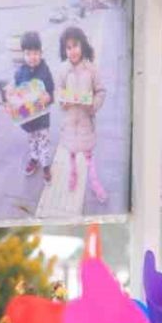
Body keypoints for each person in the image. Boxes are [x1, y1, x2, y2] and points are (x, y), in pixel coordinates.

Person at [57, 26, 108, 203]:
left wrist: (92, 105)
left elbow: (101, 91)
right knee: (71, 153)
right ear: (64, 50)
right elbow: (59, 92)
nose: (72, 51)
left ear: (83, 45)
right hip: (70, 124)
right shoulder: (63, 70)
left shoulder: (91, 69)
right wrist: (63, 102)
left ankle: (94, 182)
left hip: (86, 123)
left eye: (75, 46)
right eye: (68, 47)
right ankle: (73, 173)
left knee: (89, 157)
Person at [11, 31, 55, 182]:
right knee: (32, 140)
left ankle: (46, 165)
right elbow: (16, 94)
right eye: (28, 53)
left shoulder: (45, 70)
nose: (32, 57)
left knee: (43, 141)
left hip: (42, 117)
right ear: (23, 54)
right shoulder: (20, 73)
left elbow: (51, 90)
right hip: (28, 118)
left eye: (35, 53)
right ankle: (34, 159)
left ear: (41, 53)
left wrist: (48, 97)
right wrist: (11, 98)